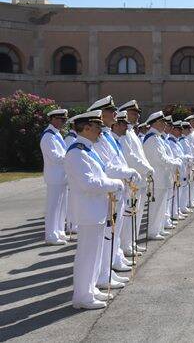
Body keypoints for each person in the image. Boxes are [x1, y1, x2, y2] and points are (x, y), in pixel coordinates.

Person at [64, 110, 124, 309]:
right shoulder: (76, 152)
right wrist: (113, 184)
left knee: (95, 254)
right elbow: (88, 183)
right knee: (87, 255)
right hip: (88, 211)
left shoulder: (89, 150)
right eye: (97, 126)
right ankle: (82, 297)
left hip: (96, 210)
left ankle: (89, 289)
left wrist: (110, 183)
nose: (101, 130)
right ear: (86, 127)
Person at [87, 95, 139, 289]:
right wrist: (128, 172)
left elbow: (118, 161)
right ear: (100, 114)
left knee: (113, 234)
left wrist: (126, 173)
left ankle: (108, 270)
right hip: (111, 189)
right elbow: (108, 167)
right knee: (108, 235)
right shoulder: (100, 139)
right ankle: (103, 275)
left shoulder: (107, 136)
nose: (116, 114)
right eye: (111, 111)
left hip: (119, 188)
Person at [117, 100, 154, 256]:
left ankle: (131, 242)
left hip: (140, 178)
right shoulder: (124, 134)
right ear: (125, 113)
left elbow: (141, 155)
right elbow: (130, 157)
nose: (137, 115)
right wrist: (146, 169)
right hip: (132, 179)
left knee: (137, 213)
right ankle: (126, 245)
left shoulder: (132, 132)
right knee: (130, 214)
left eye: (138, 113)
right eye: (134, 113)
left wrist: (146, 170)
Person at [142, 111, 181, 240]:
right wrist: (174, 163)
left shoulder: (157, 137)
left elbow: (164, 157)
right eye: (163, 122)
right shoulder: (152, 138)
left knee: (161, 205)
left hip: (162, 177)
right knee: (156, 207)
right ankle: (152, 231)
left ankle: (158, 229)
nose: (165, 125)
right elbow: (159, 158)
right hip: (157, 178)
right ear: (157, 123)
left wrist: (173, 162)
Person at [40, 109, 69, 245]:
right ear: (53, 119)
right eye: (61, 120)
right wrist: (70, 157)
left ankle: (59, 231)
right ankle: (51, 235)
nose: (63, 123)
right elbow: (54, 156)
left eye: (64, 120)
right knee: (53, 207)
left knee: (61, 207)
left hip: (61, 175)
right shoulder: (48, 136)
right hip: (54, 176)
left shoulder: (56, 134)